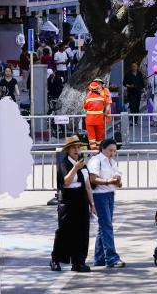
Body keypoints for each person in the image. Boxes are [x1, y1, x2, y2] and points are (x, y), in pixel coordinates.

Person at [50, 136, 95, 273]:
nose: (76, 150)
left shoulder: (82, 164)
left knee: (82, 231)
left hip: (82, 200)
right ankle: (55, 259)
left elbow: (88, 186)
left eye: (78, 147)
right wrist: (75, 168)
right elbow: (66, 182)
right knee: (65, 232)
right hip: (68, 201)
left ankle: (78, 262)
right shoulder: (64, 164)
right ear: (68, 150)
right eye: (74, 147)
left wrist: (92, 204)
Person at [86, 139, 125, 268]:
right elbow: (93, 179)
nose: (112, 153)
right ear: (103, 149)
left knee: (103, 226)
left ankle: (100, 257)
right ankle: (111, 258)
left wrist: (117, 182)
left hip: (109, 194)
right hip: (99, 196)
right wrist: (108, 181)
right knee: (106, 226)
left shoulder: (111, 161)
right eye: (110, 150)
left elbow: (116, 177)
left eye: (114, 151)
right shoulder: (96, 160)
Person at [83, 79, 111, 147]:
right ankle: (99, 149)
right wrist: (105, 112)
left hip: (90, 120)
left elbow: (85, 107)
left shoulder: (87, 98)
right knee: (99, 137)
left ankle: (93, 150)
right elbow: (107, 104)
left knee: (91, 137)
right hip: (99, 120)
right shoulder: (102, 98)